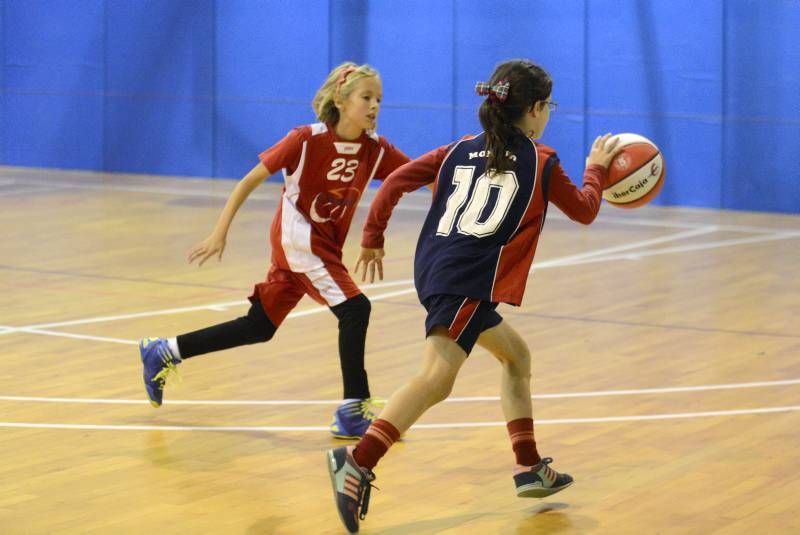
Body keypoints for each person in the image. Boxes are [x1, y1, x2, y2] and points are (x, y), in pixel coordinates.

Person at [326, 59, 621, 532]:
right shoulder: (542, 160)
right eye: (550, 106)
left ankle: (529, 468)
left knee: (516, 358)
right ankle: (358, 462)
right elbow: (586, 210)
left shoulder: (457, 148)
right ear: (538, 108)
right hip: (466, 278)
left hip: (440, 270)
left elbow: (396, 180)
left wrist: (373, 235)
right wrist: (597, 170)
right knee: (436, 378)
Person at [138, 62, 410, 439]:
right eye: (367, 97)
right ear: (341, 100)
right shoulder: (305, 139)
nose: (375, 105)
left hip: (322, 245)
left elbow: (417, 173)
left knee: (260, 326)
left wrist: (462, 176)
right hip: (299, 239)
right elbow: (250, 179)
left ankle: (165, 351)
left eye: (379, 99)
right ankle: (352, 409)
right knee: (355, 308)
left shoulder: (375, 150)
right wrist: (220, 231)